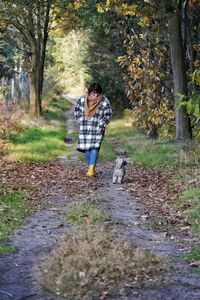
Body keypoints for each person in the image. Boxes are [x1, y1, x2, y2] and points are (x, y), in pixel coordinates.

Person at [74, 82, 112, 177]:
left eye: (95, 93)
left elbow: (108, 114)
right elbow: (77, 110)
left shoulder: (104, 101)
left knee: (95, 147)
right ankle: (89, 168)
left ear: (99, 93)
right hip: (85, 127)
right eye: (91, 93)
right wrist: (80, 120)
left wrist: (101, 124)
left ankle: (91, 169)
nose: (93, 95)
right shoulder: (83, 99)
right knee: (87, 148)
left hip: (97, 128)